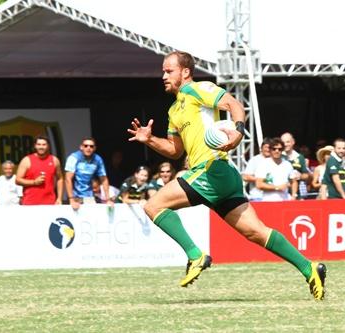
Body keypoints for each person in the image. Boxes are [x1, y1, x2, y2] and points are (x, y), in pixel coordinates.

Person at [126, 51, 326, 300]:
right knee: (257, 232)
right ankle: (310, 269)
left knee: (154, 205)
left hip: (212, 170)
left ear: (185, 72)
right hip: (221, 175)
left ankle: (195, 254)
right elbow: (175, 151)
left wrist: (239, 132)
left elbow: (234, 104)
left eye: (169, 71)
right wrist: (150, 139)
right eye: (163, 71)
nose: (163, 76)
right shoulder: (174, 110)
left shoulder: (199, 90)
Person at [65, 137, 113, 210]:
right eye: (85, 146)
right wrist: (71, 199)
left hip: (89, 196)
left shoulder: (98, 159)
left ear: (94, 148)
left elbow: (104, 179)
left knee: (91, 218)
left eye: (91, 146)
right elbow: (68, 179)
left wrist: (108, 199)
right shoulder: (73, 157)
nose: (88, 148)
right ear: (81, 147)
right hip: (75, 197)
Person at [15, 135, 63, 205]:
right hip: (30, 203)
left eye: (44, 145)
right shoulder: (27, 160)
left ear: (48, 146)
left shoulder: (54, 160)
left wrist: (59, 198)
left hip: (49, 202)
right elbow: (17, 180)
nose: (41, 147)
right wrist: (34, 182)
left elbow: (60, 179)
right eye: (39, 144)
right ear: (35, 146)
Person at [281, 132, 311, 199]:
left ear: (293, 142)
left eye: (288, 142)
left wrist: (300, 176)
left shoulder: (299, 157)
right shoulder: (279, 156)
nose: (285, 144)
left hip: (296, 194)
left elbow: (306, 175)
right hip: (281, 193)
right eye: (283, 142)